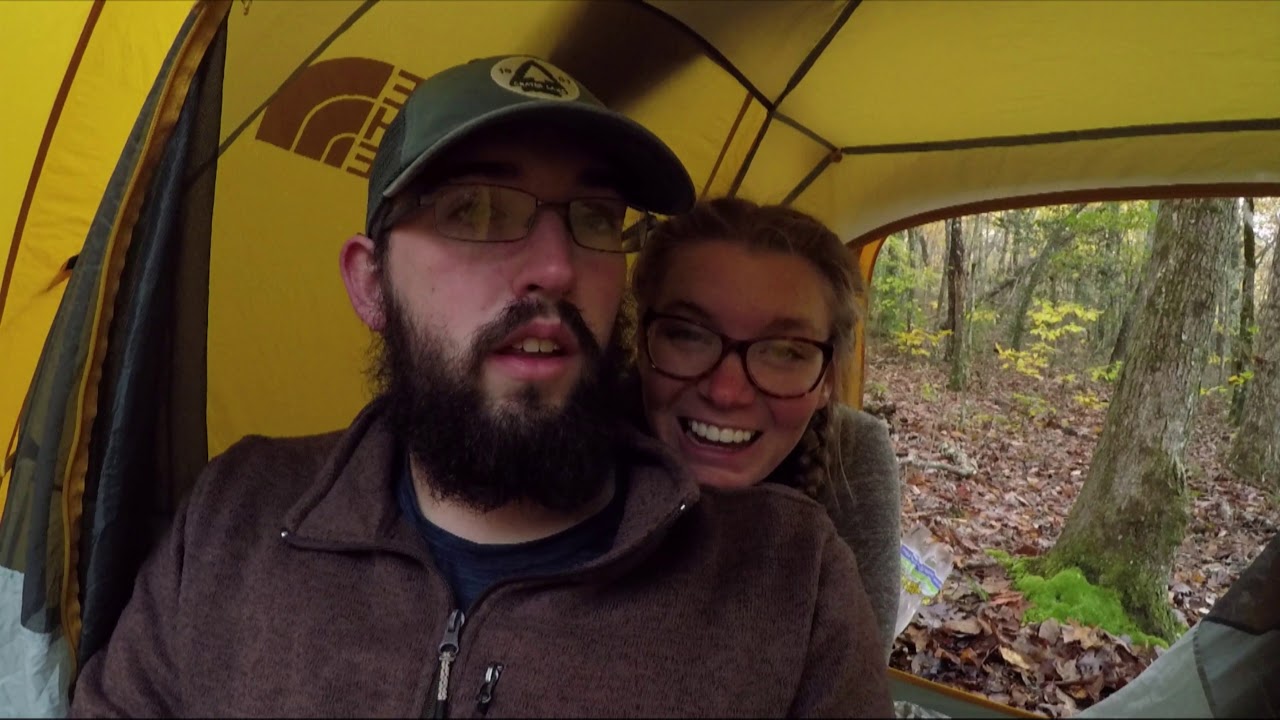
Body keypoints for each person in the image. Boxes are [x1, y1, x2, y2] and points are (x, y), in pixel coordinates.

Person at [68, 55, 893, 717]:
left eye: (595, 217)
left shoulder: (789, 585)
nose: (557, 267)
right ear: (372, 284)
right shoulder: (235, 518)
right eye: (475, 211)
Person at [628, 197, 903, 659]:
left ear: (828, 378)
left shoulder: (852, 458)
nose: (726, 392)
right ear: (642, 340)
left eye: (784, 351)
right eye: (690, 335)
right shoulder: (578, 445)